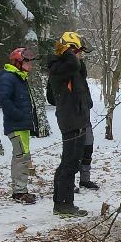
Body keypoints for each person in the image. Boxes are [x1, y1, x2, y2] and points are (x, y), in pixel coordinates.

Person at [47, 32, 94, 217]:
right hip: (70, 120)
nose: (80, 55)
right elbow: (74, 64)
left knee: (71, 161)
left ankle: (61, 202)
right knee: (69, 163)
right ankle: (64, 204)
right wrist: (68, 52)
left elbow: (79, 70)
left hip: (77, 118)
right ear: (69, 50)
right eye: (78, 51)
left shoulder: (68, 67)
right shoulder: (60, 66)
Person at [0, 47, 39, 204]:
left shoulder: (20, 78)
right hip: (16, 126)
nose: (30, 64)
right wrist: (19, 116)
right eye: (27, 61)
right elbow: (5, 100)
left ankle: (22, 189)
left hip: (23, 126)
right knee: (21, 158)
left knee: (23, 156)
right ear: (18, 62)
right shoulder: (9, 77)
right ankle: (19, 192)